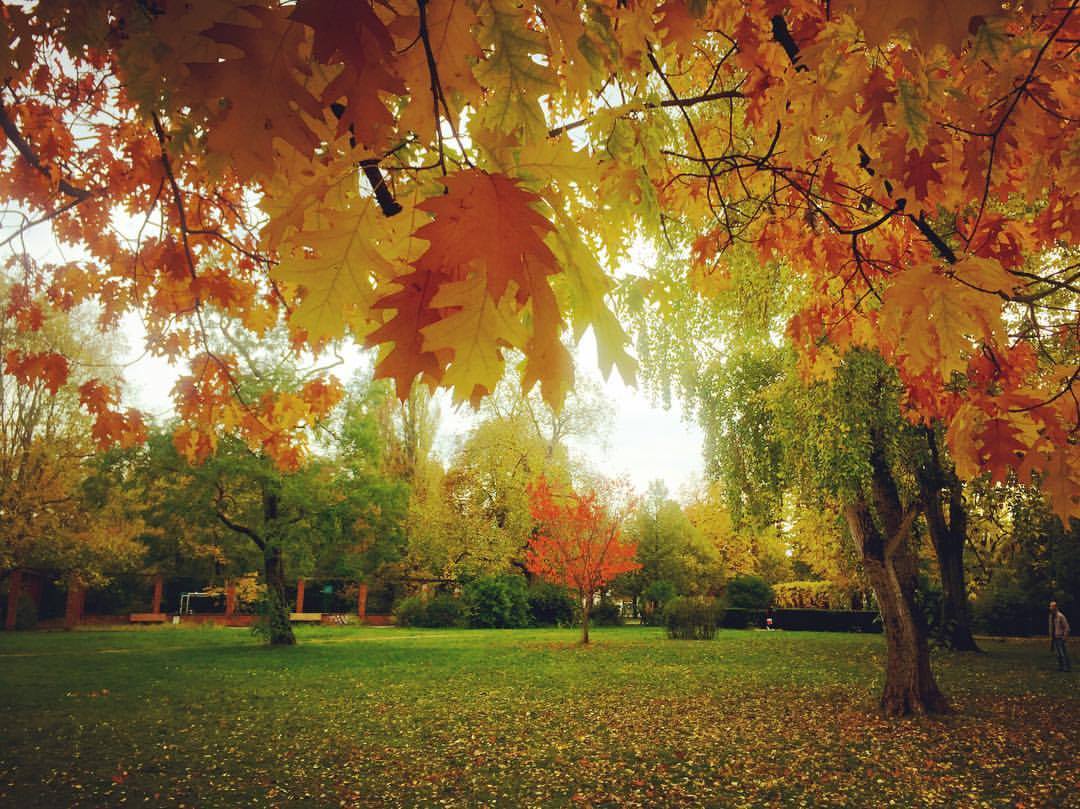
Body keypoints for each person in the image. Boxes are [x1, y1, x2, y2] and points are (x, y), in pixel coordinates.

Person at [1049, 601, 1071, 672]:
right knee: (1058, 654)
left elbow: (1067, 628)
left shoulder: (1060, 616)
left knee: (1063, 653)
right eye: (1050, 606)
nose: (1051, 608)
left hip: (1061, 637)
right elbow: (1051, 627)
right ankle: (1061, 667)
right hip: (1055, 637)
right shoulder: (1051, 617)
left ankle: (1066, 668)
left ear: (1056, 607)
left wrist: (1064, 637)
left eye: (1052, 607)